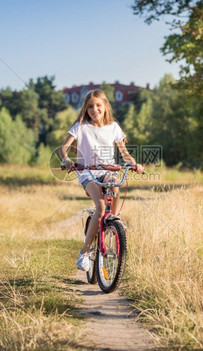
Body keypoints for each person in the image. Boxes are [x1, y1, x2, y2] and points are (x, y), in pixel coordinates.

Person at [59, 89, 144, 271]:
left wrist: (135, 164)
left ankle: (113, 221)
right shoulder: (80, 126)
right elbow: (64, 148)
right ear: (85, 108)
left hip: (107, 170)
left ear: (105, 107)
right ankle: (84, 252)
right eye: (90, 106)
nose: (94, 109)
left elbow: (124, 154)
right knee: (100, 206)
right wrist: (66, 159)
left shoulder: (113, 127)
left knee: (116, 189)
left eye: (98, 105)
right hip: (87, 172)